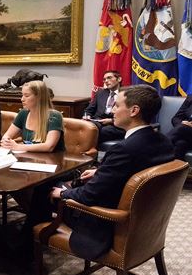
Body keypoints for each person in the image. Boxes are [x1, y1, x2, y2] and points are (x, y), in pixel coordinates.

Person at [49, 85, 174, 259]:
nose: (112, 110)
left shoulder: (124, 149)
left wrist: (63, 193)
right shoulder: (164, 141)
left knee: (45, 189)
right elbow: (135, 168)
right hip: (145, 222)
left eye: (117, 105)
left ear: (134, 110)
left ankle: (25, 247)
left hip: (107, 224)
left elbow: (89, 195)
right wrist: (101, 171)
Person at [1, 80, 65, 152]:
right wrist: (6, 141)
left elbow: (49, 146)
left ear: (39, 97)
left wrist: (19, 147)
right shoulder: (23, 113)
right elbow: (7, 136)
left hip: (51, 158)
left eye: (27, 96)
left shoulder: (54, 116)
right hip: (28, 157)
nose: (22, 99)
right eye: (22, 95)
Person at [83, 70, 125, 143]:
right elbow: (89, 110)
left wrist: (111, 121)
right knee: (84, 126)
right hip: (97, 122)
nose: (106, 81)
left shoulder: (126, 94)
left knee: (102, 131)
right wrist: (87, 116)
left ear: (119, 79)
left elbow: (127, 116)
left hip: (115, 124)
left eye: (109, 78)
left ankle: (89, 148)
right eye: (104, 79)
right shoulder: (100, 93)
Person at [166, 95, 192, 160]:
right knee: (180, 144)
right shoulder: (190, 98)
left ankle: (156, 148)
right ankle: (173, 166)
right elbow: (176, 118)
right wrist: (182, 123)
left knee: (181, 128)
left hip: (184, 130)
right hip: (187, 135)